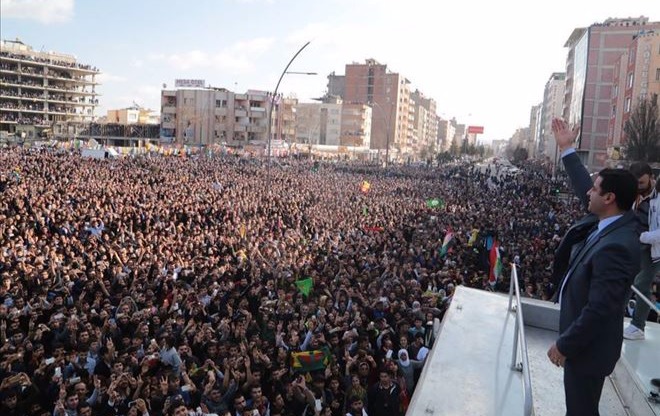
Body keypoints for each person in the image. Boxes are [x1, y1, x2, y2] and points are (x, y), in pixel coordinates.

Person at [547, 118, 641, 416]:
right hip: (587, 344)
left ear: (610, 199)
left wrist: (565, 345)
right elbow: (584, 186)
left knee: (581, 411)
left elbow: (600, 309)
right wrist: (567, 149)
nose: (588, 193)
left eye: (596, 189)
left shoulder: (618, 246)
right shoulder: (610, 221)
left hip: (587, 348)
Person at [624, 162, 660, 340]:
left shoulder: (658, 197)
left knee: (641, 284)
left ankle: (638, 326)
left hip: (654, 249)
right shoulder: (634, 195)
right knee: (626, 279)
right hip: (638, 245)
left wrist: (643, 237)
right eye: (635, 183)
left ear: (651, 179)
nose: (638, 187)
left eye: (642, 183)